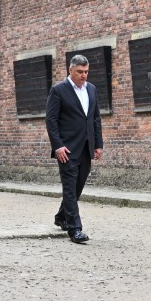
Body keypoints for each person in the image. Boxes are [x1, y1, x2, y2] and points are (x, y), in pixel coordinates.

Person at [45, 54, 104, 244]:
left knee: (78, 186)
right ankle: (75, 229)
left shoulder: (92, 89)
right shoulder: (58, 90)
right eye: (80, 72)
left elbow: (95, 118)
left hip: (87, 147)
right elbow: (51, 121)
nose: (84, 75)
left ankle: (61, 217)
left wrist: (98, 144)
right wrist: (58, 146)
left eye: (86, 72)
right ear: (70, 70)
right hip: (67, 149)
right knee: (69, 188)